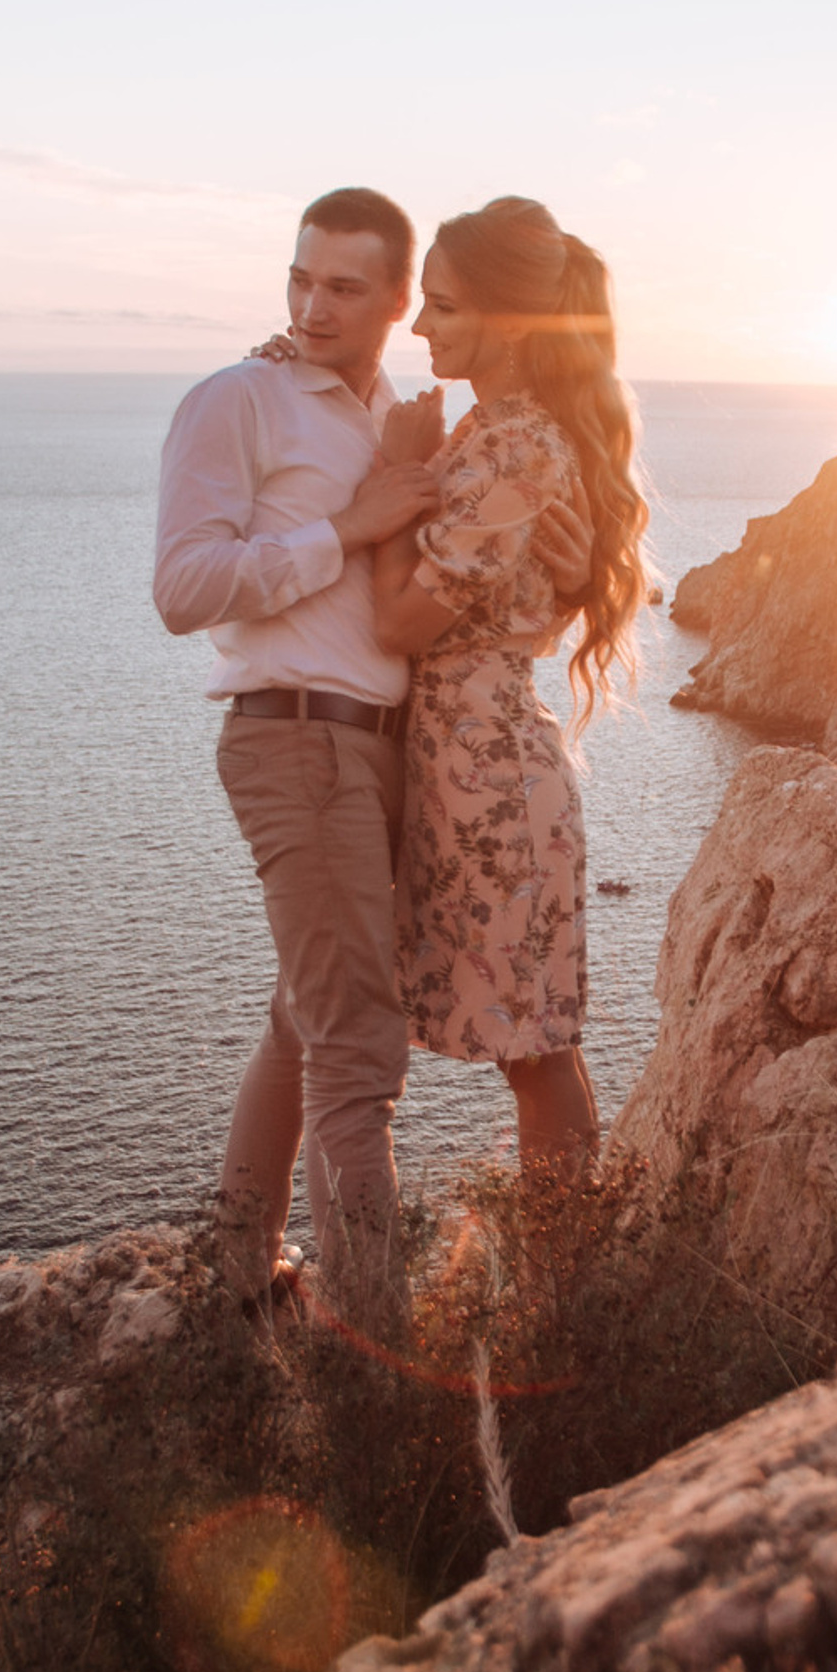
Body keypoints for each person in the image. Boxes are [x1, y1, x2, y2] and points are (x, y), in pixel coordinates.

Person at [152, 188, 587, 1320]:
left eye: (345, 287)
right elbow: (182, 589)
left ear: (399, 304)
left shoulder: (402, 414)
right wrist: (346, 526)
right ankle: (372, 1354)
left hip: (400, 753)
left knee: (304, 1018)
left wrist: (572, 553)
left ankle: (240, 1278)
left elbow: (493, 549)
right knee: (356, 1049)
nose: (310, 305)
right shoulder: (238, 398)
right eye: (298, 279)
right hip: (295, 736)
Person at [368, 197, 649, 1176]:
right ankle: (559, 1290)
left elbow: (399, 622)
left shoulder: (519, 445)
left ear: (514, 317)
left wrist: (393, 485)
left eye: (442, 307)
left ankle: (564, 1297)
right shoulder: (489, 429)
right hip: (460, 773)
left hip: (491, 782)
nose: (418, 328)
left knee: (535, 1054)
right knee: (529, 1049)